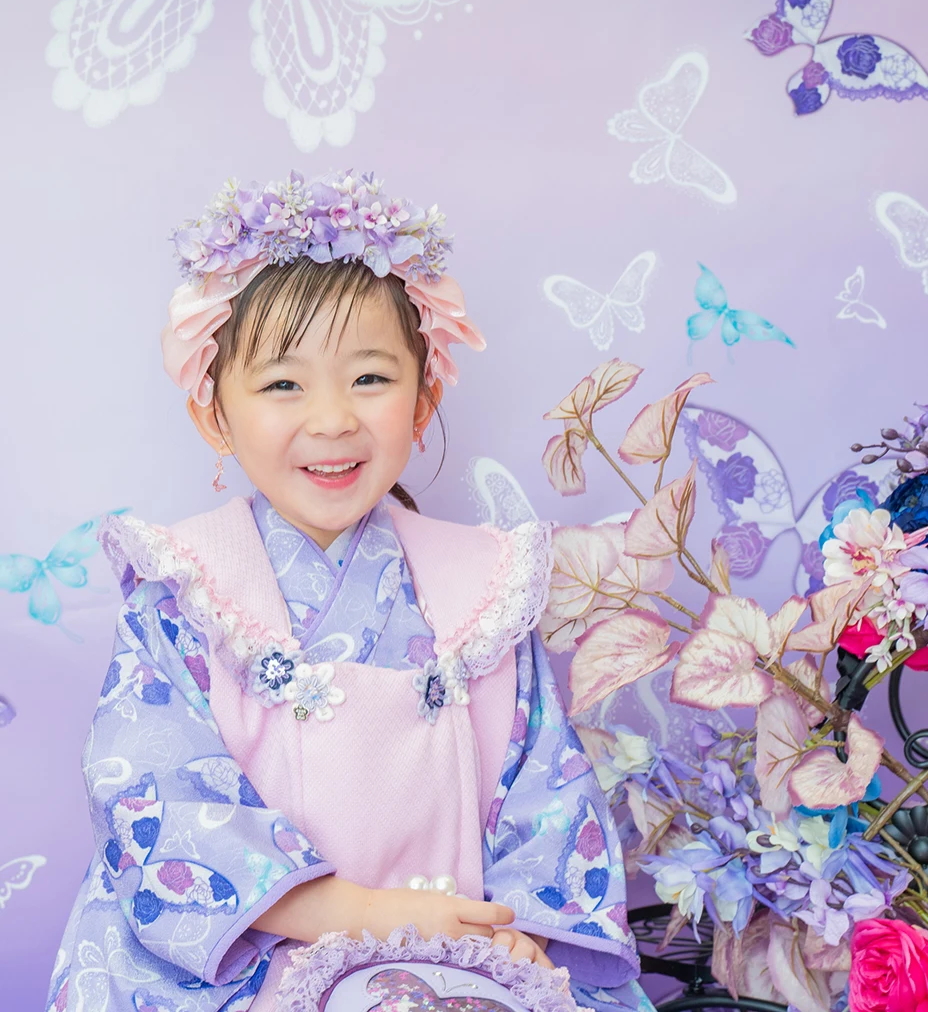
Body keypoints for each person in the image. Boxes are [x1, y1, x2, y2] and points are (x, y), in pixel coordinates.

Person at [45, 171, 647, 1012]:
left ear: (424, 399)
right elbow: (157, 799)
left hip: (451, 956)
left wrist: (518, 932)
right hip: (250, 954)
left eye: (370, 379)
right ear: (214, 415)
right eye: (282, 385)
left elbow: (546, 787)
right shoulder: (183, 590)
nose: (332, 420)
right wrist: (360, 915)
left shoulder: (484, 589)